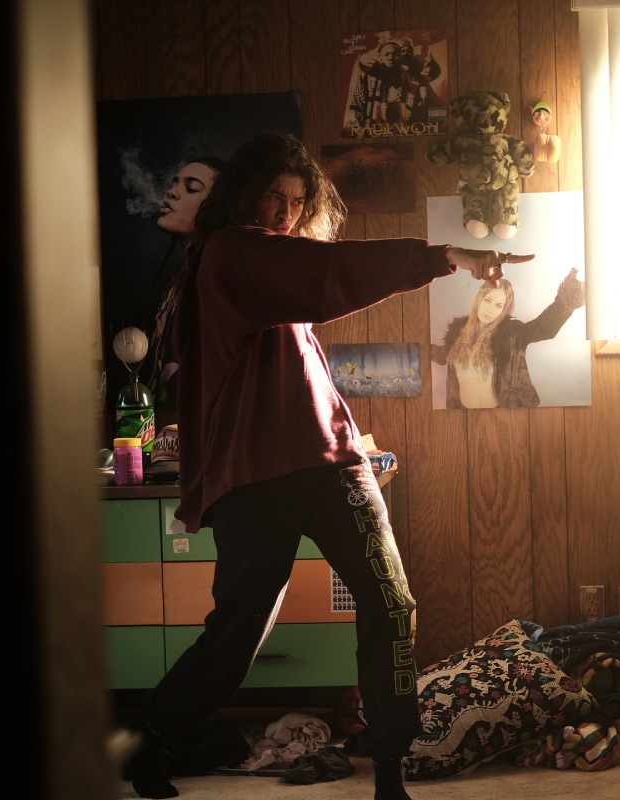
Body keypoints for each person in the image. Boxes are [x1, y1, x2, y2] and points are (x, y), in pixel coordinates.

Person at [124, 132, 532, 800]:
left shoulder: (275, 262)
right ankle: (149, 732)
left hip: (334, 460)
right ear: (244, 194)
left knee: (391, 602)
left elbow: (314, 292)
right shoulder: (230, 252)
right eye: (273, 197)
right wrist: (444, 256)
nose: (285, 212)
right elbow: (327, 275)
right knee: (238, 635)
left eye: (297, 201)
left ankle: (390, 769)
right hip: (256, 476)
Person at [430, 268, 584, 409]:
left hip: (503, 413)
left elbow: (543, 328)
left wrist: (566, 299)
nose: (490, 310)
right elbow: (443, 354)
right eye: (487, 300)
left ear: (504, 310)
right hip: (463, 415)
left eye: (499, 306)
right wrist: (419, 347)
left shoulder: (512, 335)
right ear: (479, 299)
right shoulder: (457, 334)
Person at [147, 157, 225, 424]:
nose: (172, 192)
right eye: (175, 183)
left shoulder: (212, 280)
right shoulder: (179, 282)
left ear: (215, 208)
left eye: (191, 188)